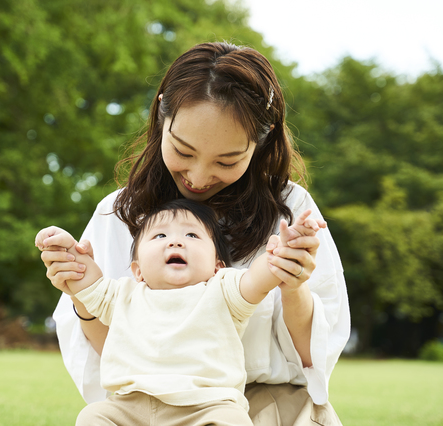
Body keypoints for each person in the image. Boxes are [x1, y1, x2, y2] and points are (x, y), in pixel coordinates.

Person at [39, 41, 350, 425]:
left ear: (261, 140)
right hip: (145, 404)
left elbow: (311, 360)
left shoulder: (289, 209)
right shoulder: (120, 212)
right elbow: (110, 349)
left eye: (227, 160)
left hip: (268, 407)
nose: (199, 178)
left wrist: (293, 283)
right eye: (183, 151)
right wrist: (78, 287)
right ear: (160, 117)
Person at [36, 200, 326, 425]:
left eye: (192, 234)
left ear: (217, 266)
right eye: (160, 235)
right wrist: (64, 249)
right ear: (137, 270)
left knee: (235, 421)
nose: (175, 241)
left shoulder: (223, 291)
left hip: (207, 407)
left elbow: (259, 277)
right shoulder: (123, 295)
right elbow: (85, 279)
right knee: (92, 418)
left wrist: (283, 252)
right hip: (129, 407)